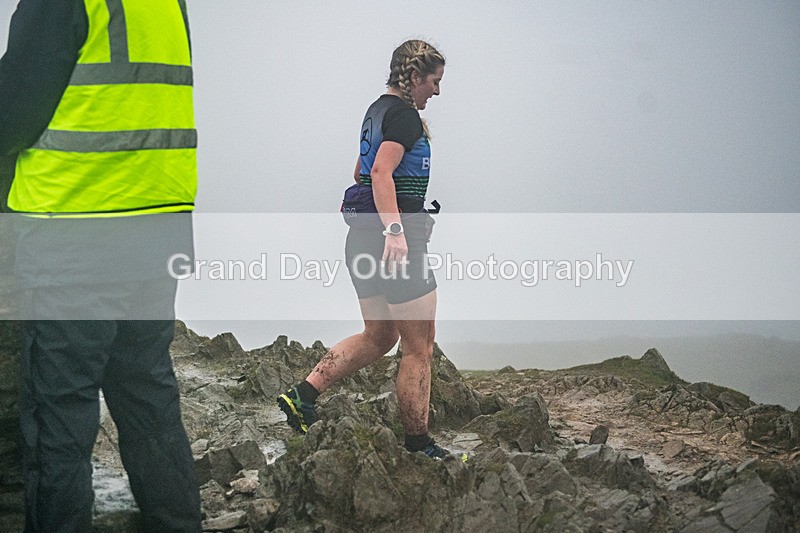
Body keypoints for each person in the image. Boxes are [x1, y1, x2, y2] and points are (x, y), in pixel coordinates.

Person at [0, 0, 202, 531]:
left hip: (74, 234)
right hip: (155, 232)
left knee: (58, 421)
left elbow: (12, 114)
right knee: (149, 402)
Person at [278, 39, 450, 459]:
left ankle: (303, 395)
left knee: (379, 335)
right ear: (414, 77)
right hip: (395, 242)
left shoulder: (376, 112)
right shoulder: (405, 116)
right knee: (419, 346)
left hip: (361, 238)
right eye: (434, 81)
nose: (438, 91)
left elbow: (360, 168)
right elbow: (378, 171)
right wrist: (395, 231)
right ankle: (418, 445)